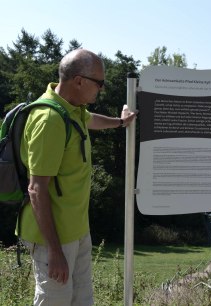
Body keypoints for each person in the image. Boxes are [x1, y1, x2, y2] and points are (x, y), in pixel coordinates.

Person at [17, 48, 137, 305]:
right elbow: (36, 189)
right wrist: (55, 251)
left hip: (77, 230)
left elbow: (90, 120)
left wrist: (120, 122)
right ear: (79, 81)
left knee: (82, 299)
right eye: (99, 83)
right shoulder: (49, 119)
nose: (102, 89)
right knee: (54, 300)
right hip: (54, 238)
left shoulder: (71, 109)